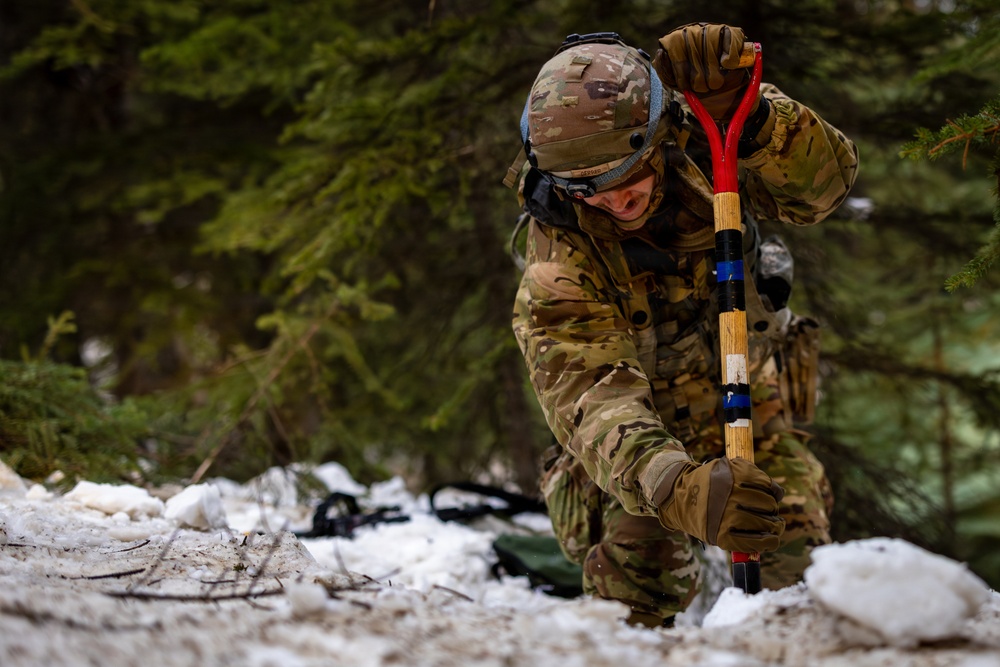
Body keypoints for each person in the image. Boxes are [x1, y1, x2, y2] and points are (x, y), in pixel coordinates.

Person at [508, 24, 859, 627]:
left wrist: (756, 124)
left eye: (628, 176)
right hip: (641, 451)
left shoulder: (710, 134)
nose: (615, 202)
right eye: (589, 191)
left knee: (799, 580)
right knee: (640, 578)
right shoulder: (555, 270)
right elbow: (597, 402)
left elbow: (825, 188)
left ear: (657, 139)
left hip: (752, 415)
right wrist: (677, 490)